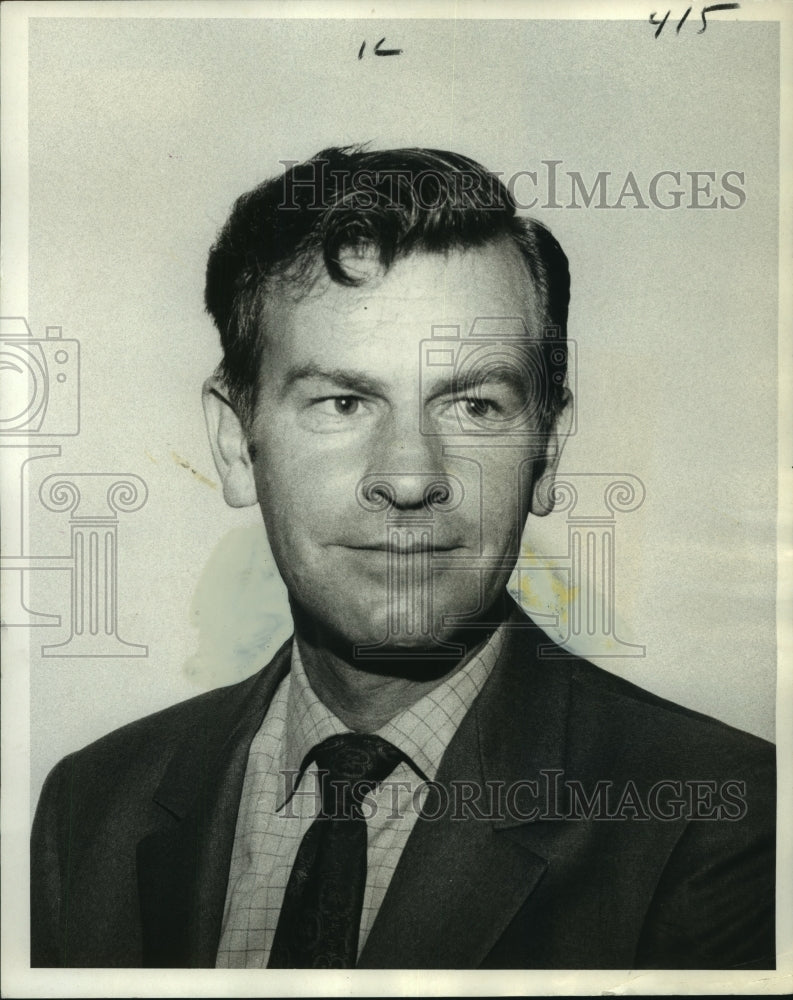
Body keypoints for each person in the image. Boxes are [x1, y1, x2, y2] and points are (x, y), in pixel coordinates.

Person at [30, 146, 775, 970]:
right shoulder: (91, 807)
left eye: (473, 404)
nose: (411, 477)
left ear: (548, 449)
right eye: (343, 402)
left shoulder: (725, 820)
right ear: (237, 445)